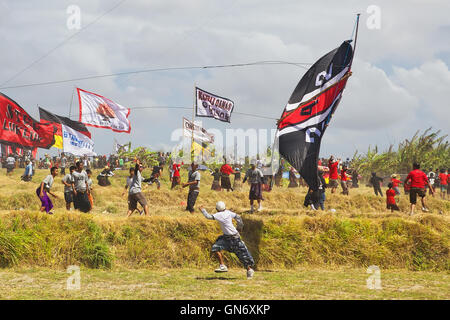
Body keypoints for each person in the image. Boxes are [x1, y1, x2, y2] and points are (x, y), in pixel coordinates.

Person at [199, 201, 255, 279]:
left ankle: (249, 270)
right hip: (229, 237)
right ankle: (222, 266)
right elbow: (238, 217)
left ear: (217, 209)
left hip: (234, 239)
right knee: (240, 255)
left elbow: (208, 216)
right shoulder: (228, 212)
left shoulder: (219, 215)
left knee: (216, 248)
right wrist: (240, 227)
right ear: (224, 207)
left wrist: (203, 210)